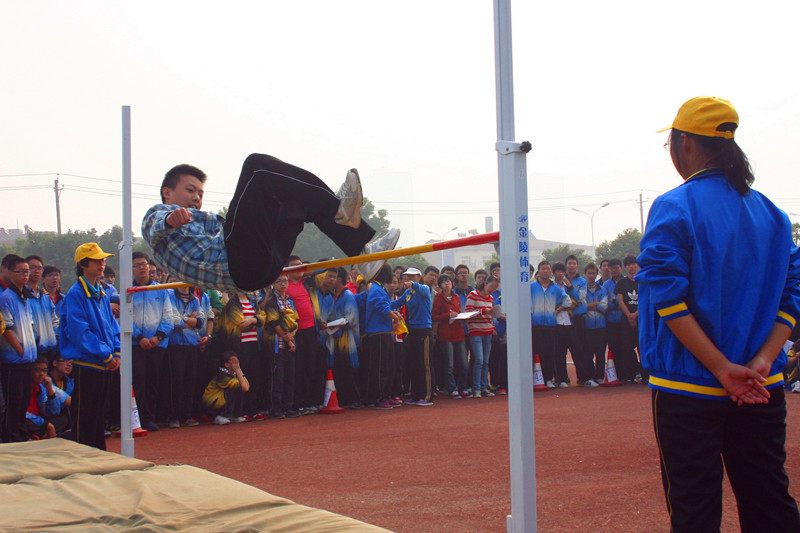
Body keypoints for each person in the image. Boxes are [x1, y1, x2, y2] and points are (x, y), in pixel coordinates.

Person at [638, 96, 800, 531]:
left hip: (688, 386)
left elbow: (668, 299)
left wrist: (722, 369)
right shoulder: (772, 213)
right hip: (762, 386)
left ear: (686, 144)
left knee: (694, 509)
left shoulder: (676, 205)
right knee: (769, 500)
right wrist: (762, 362)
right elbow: (792, 299)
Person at [141, 156, 400, 292]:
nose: (197, 198)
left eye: (200, 193)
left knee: (296, 201)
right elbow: (155, 226)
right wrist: (169, 219)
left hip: (261, 268)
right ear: (167, 192)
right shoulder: (159, 213)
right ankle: (338, 207)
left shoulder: (201, 220)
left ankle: (362, 254)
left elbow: (236, 224)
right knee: (256, 167)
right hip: (236, 262)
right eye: (190, 190)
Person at [60, 243, 120, 450]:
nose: (102, 263)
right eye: (96, 260)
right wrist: (106, 354)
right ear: (83, 264)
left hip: (103, 363)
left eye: (102, 259)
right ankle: (83, 455)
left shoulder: (101, 293)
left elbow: (111, 325)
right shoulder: (76, 294)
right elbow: (80, 333)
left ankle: (98, 453)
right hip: (87, 364)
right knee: (84, 415)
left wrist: (117, 351)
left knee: (98, 415)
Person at [0, 254, 38, 442]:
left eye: (27, 271)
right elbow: (6, 327)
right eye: (21, 271)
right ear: (10, 272)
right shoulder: (6, 297)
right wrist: (19, 349)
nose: (25, 275)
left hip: (27, 359)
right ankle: (12, 437)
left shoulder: (25, 297)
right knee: (13, 401)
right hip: (13, 360)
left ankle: (22, 434)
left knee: (24, 400)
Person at [363, 264, 404, 409]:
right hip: (377, 333)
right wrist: (396, 317)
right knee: (380, 367)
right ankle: (378, 398)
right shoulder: (376, 288)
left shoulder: (379, 288)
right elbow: (382, 307)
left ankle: (385, 395)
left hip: (384, 331)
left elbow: (386, 305)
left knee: (388, 366)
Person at [166, 283, 204, 428]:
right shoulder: (170, 297)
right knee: (176, 381)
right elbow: (174, 320)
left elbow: (201, 321)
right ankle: (174, 416)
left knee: (190, 381)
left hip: (192, 344)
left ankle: (186, 416)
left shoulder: (195, 300)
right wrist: (190, 320)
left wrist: (184, 319)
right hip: (176, 344)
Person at [263, 274, 299, 419]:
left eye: (285, 281)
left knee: (290, 377)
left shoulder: (290, 300)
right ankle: (276, 408)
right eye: (279, 282)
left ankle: (287, 406)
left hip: (290, 343)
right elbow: (274, 322)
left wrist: (292, 335)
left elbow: (296, 320)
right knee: (278, 377)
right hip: (277, 344)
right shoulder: (272, 302)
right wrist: (287, 338)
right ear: (274, 284)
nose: (283, 284)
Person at [530, 261, 571, 389]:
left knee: (549, 353)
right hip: (535, 325)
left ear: (551, 271)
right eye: (543, 269)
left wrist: (558, 310)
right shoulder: (531, 287)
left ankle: (548, 379)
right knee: (537, 352)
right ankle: (536, 379)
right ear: (539, 271)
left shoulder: (555, 288)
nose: (546, 271)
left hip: (551, 325)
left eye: (548, 269)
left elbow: (567, 301)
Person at [401, 267, 435, 406]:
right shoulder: (408, 292)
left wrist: (413, 284)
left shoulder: (424, 289)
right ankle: (416, 395)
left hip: (424, 330)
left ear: (419, 277)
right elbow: (397, 303)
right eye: (407, 276)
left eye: (413, 276)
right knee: (414, 364)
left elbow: (419, 288)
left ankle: (427, 395)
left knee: (425, 364)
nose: (409, 279)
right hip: (412, 331)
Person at [432, 274, 468, 398]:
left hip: (459, 333)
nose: (447, 284)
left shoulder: (456, 297)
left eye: (448, 281)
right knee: (449, 364)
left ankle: (463, 387)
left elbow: (458, 312)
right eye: (444, 282)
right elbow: (435, 316)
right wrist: (448, 315)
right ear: (440, 285)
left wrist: (461, 316)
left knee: (463, 363)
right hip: (446, 335)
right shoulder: (438, 298)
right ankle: (451, 388)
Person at [466, 276, 498, 397]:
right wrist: (484, 311)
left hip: (488, 331)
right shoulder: (473, 295)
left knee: (485, 361)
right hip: (476, 331)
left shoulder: (490, 298)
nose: (492, 290)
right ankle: (476, 388)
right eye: (491, 287)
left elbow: (490, 316)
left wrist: (493, 327)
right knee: (478, 360)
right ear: (485, 283)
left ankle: (484, 387)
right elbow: (468, 312)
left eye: (495, 288)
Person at [25, 255, 59, 360]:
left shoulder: (44, 297)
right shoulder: (22, 296)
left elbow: (55, 321)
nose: (36, 271)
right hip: (31, 351)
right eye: (32, 267)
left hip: (49, 350)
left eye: (39, 268)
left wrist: (54, 337)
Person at [202, 351, 250, 425]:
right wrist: (238, 370)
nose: (236, 364)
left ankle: (234, 415)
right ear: (226, 364)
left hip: (220, 402)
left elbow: (247, 386)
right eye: (234, 362)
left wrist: (239, 370)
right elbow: (244, 387)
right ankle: (222, 415)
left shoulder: (233, 374)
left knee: (239, 389)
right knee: (233, 390)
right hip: (213, 406)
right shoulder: (222, 375)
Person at [615, 254, 640, 383]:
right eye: (628, 264)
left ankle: (646, 375)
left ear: (637, 265)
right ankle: (630, 376)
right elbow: (620, 300)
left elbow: (646, 299)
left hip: (641, 320)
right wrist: (629, 315)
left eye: (633, 264)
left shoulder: (643, 280)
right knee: (627, 348)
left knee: (642, 348)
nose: (631, 266)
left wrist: (636, 314)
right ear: (625, 267)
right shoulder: (622, 283)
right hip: (626, 319)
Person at [582, 263, 606, 387]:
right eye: (589, 273)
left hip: (601, 326)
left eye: (593, 273)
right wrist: (595, 304)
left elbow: (604, 306)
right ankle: (589, 377)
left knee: (601, 354)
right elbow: (581, 308)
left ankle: (600, 377)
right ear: (585, 274)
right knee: (588, 354)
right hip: (587, 327)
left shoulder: (602, 290)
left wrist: (591, 306)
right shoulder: (582, 290)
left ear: (597, 274)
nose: (591, 275)